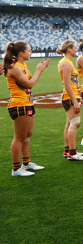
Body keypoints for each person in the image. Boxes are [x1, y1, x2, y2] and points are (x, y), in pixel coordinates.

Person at [3, 41, 49, 176]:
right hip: (19, 104)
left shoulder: (22, 65)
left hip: (27, 103)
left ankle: (26, 163)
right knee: (19, 137)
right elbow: (29, 84)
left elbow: (30, 81)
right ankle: (16, 169)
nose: (31, 52)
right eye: (29, 50)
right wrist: (39, 70)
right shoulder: (15, 67)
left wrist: (38, 68)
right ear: (21, 53)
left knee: (27, 136)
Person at [57, 40, 83, 161]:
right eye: (75, 48)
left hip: (71, 96)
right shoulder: (66, 63)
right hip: (71, 97)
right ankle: (72, 153)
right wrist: (75, 101)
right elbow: (67, 84)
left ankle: (68, 150)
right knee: (75, 124)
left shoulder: (66, 62)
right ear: (69, 49)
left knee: (70, 123)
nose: (77, 49)